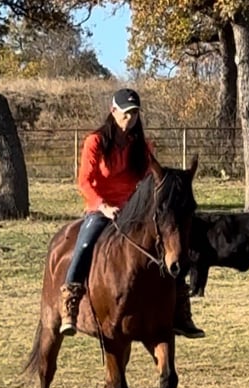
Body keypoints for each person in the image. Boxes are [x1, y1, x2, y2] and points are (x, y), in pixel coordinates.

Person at [59, 88, 205, 339]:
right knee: (84, 244)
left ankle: (181, 308)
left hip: (134, 211)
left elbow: (152, 179)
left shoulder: (142, 146)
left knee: (173, 246)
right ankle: (70, 303)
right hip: (101, 208)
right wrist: (102, 206)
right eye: (126, 113)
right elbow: (84, 181)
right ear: (113, 112)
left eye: (134, 113)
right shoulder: (95, 142)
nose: (130, 119)